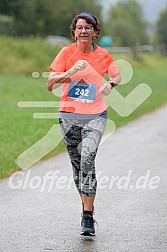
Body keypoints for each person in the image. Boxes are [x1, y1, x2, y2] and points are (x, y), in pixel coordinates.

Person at [47, 12, 121, 236]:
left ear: (95, 32)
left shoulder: (104, 55)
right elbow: (49, 85)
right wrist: (70, 72)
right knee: (78, 166)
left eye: (88, 27)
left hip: (95, 115)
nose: (84, 31)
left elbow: (117, 76)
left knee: (88, 157)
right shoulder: (66, 53)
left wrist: (110, 84)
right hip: (69, 117)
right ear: (74, 32)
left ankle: (87, 217)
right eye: (79, 27)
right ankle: (87, 208)